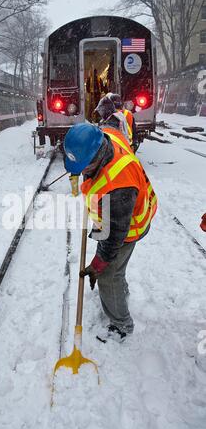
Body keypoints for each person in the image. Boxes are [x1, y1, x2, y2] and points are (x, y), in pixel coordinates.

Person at [64, 121, 157, 341]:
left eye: (84, 166)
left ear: (96, 157)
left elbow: (115, 236)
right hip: (112, 217)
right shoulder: (105, 135)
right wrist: (80, 171)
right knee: (114, 269)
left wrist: (98, 265)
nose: (83, 172)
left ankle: (121, 325)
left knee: (107, 275)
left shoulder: (118, 186)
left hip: (129, 228)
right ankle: (119, 294)